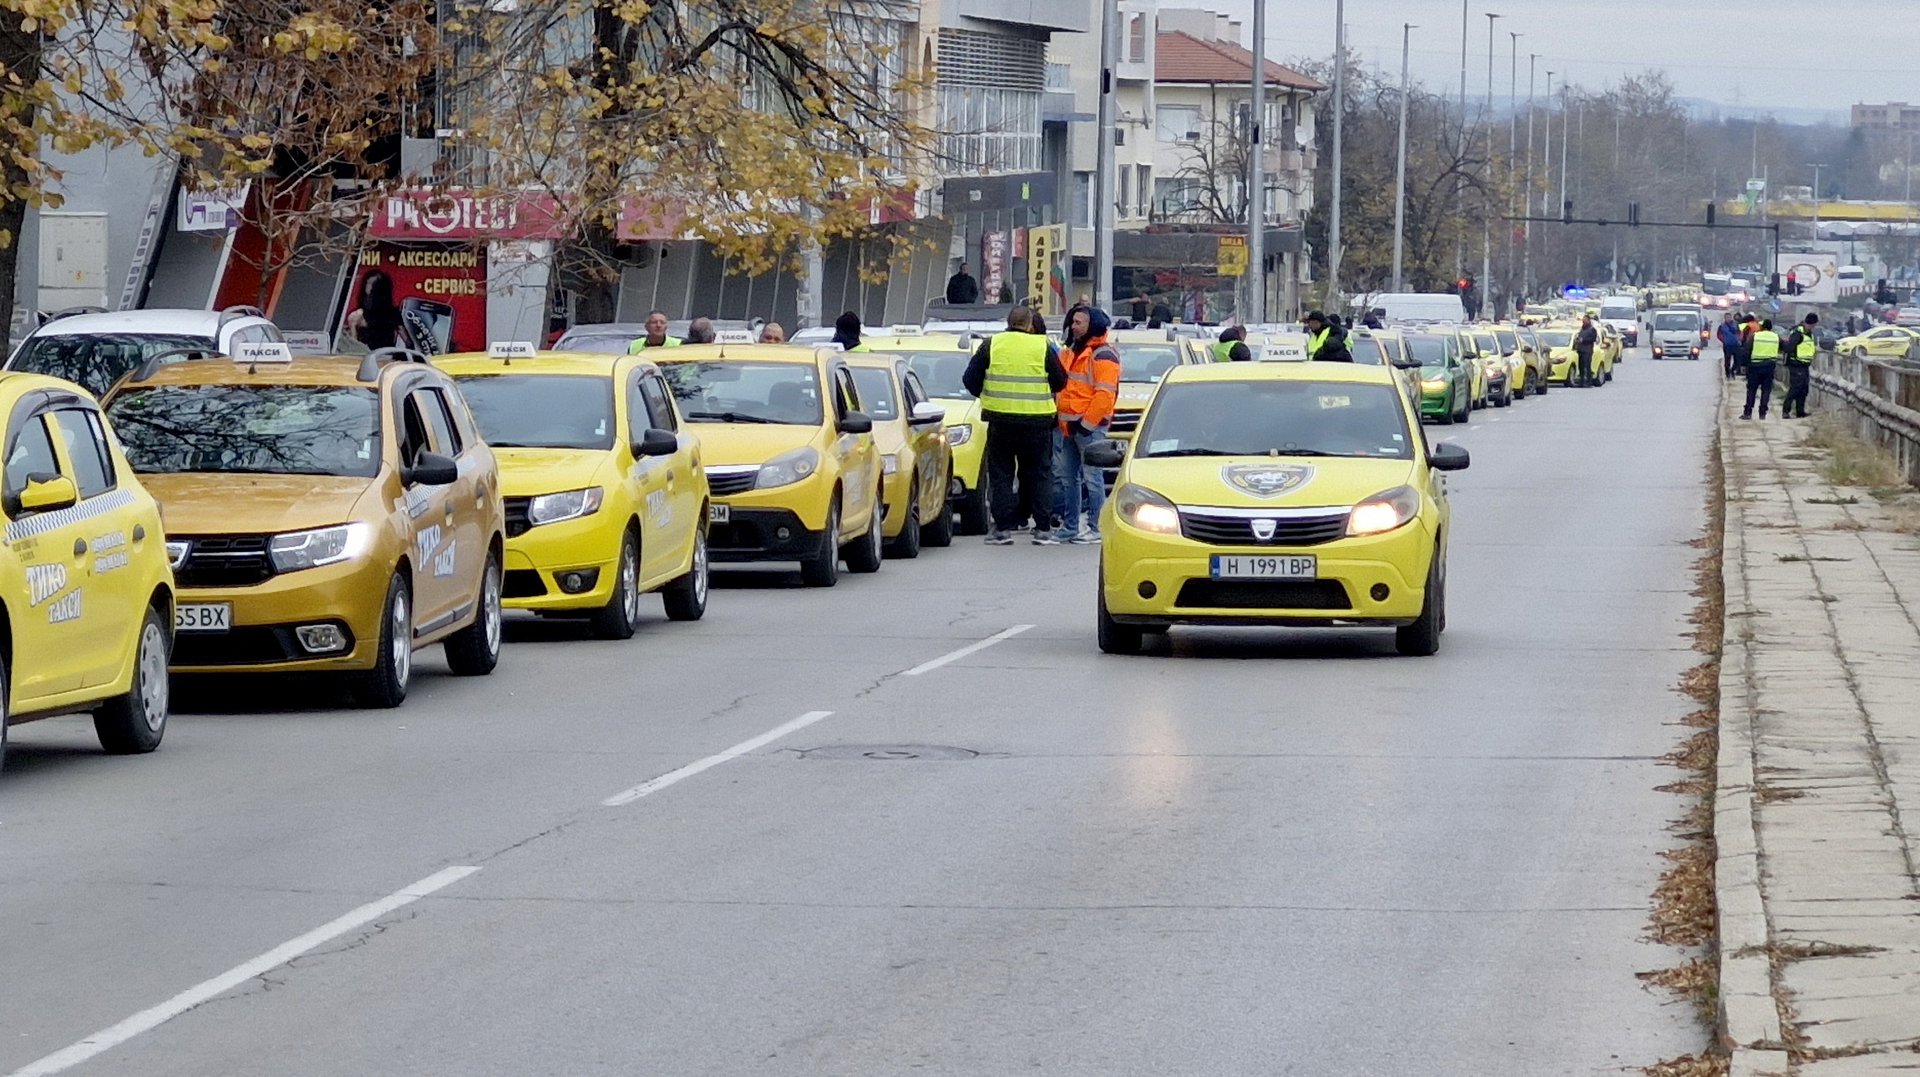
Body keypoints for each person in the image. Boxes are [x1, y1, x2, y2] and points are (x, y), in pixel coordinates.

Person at [963, 306, 1068, 546]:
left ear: (1008, 322)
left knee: (1001, 474)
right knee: (1040, 473)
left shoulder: (992, 344)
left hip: (1001, 420)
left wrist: (988, 395)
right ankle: (1042, 529)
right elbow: (1061, 381)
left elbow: (969, 379)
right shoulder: (1041, 346)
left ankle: (1002, 529)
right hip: (1037, 421)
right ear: (1030, 324)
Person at [1052, 306, 1121, 544]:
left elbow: (1104, 395)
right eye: (1072, 322)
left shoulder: (1103, 355)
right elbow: (1062, 387)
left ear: (1091, 325)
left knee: (1093, 479)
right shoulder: (1070, 352)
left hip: (1088, 429)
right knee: (1068, 479)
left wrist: (1086, 424)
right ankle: (1070, 526)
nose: (1073, 326)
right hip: (1068, 427)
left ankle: (1096, 527)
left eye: (1078, 322)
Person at [346, 270, 406, 351]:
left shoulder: (393, 314)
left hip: (386, 357)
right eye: (369, 283)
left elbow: (407, 340)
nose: (370, 287)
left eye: (374, 285)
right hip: (364, 356)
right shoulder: (357, 316)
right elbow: (354, 346)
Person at [1742, 318, 1782, 420]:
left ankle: (1748, 412)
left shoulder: (1755, 336)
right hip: (1769, 367)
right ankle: (1762, 413)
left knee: (1752, 390)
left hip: (1755, 367)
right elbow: (1785, 347)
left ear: (1762, 327)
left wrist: (1743, 365)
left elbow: (1747, 350)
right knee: (1766, 390)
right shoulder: (1776, 337)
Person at [1781, 313, 1818, 419]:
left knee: (1804, 389)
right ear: (1811, 323)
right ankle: (1786, 410)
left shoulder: (1808, 333)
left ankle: (1800, 411)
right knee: (1795, 388)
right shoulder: (1798, 333)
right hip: (1796, 364)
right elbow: (1789, 347)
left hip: (1804, 365)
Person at [1573, 314, 1599, 386]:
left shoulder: (1592, 329)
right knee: (1581, 366)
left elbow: (1593, 339)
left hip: (1587, 351)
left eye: (1585, 320)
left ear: (1588, 320)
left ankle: (1588, 381)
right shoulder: (1582, 329)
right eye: (1583, 321)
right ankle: (1581, 381)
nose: (1583, 322)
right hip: (1580, 350)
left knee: (1587, 366)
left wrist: (1583, 340)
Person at [1716, 313, 1743, 380]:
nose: (1728, 319)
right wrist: (1724, 340)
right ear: (1725, 318)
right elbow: (1719, 335)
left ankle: (1732, 371)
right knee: (1727, 360)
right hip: (1727, 345)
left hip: (1736, 345)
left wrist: (1739, 339)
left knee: (1737, 360)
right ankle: (1727, 374)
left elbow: (1740, 333)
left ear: (1731, 318)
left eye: (1729, 317)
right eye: (1726, 317)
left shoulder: (1736, 324)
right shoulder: (1722, 326)